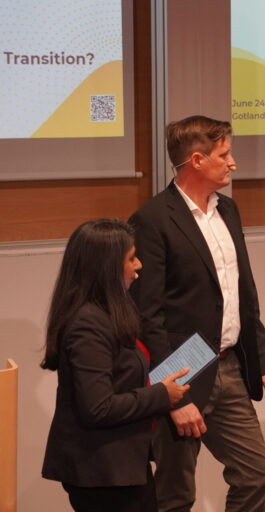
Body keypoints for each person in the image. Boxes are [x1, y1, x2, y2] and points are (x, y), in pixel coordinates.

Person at [130, 115, 265, 512]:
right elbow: (147, 316)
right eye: (225, 154)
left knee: (257, 474)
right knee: (175, 494)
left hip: (229, 363)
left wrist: (263, 361)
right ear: (197, 161)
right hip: (181, 369)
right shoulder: (152, 220)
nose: (232, 163)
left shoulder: (228, 211)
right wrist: (170, 396)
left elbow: (243, 294)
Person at [41, 219, 190, 512]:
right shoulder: (87, 325)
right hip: (101, 473)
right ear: (106, 267)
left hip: (121, 465)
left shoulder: (109, 312)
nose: (139, 266)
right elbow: (98, 407)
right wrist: (162, 395)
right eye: (131, 258)